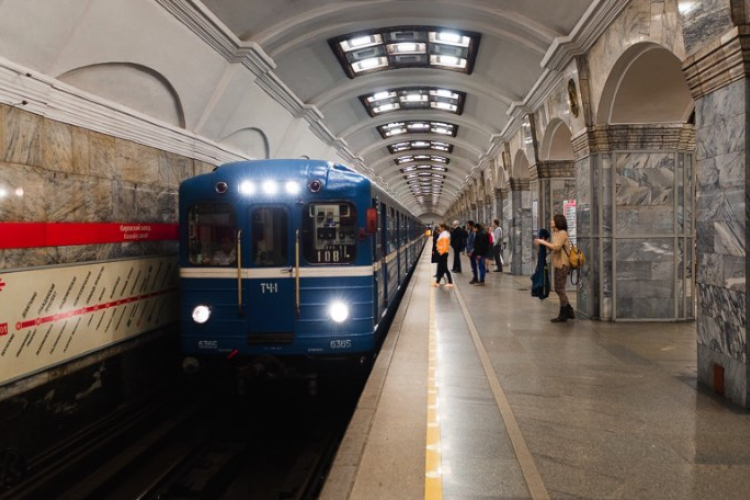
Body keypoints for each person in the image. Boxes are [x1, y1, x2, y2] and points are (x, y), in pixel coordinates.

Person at [533, 214, 575, 322]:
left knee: (559, 288)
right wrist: (544, 242)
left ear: (558, 222)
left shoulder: (562, 233)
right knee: (558, 288)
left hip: (563, 264)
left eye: (553, 220)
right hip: (557, 264)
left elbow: (556, 246)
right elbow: (552, 248)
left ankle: (564, 313)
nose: (551, 221)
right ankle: (568, 309)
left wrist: (542, 241)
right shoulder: (556, 233)